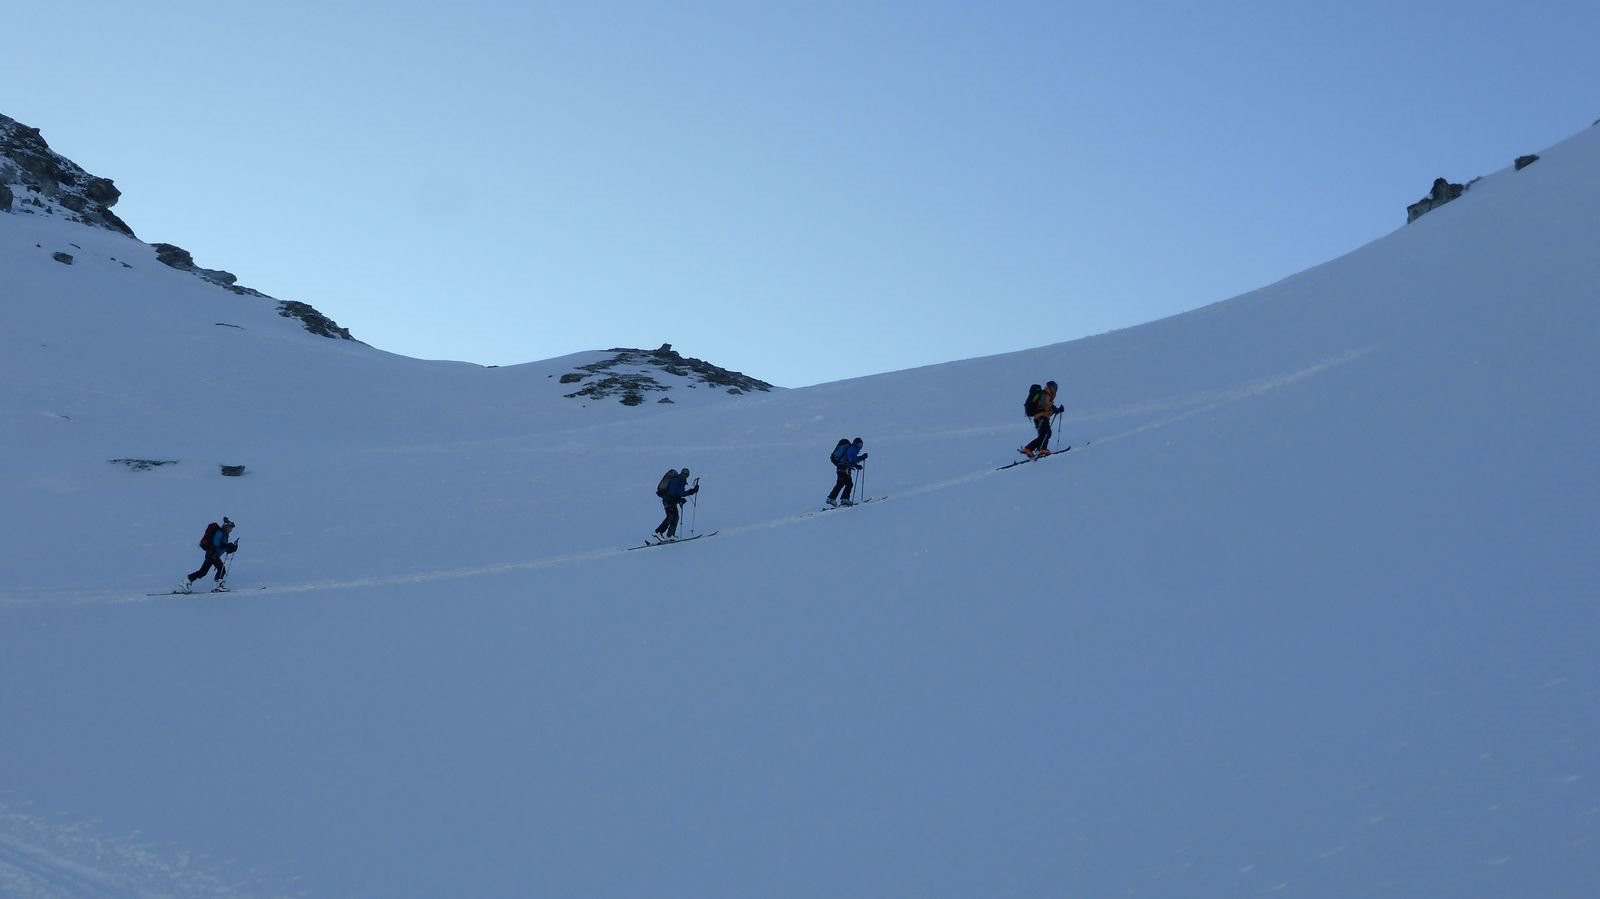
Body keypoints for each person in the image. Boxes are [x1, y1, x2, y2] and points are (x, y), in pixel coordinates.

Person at [182, 516, 237, 592]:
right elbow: (217, 545)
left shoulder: (225, 534)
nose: (231, 530)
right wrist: (228, 545)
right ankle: (219, 586)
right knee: (221, 569)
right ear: (226, 527)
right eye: (230, 528)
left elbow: (223, 547)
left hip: (212, 555)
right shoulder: (220, 533)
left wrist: (232, 548)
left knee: (203, 572)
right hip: (212, 554)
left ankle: (187, 581)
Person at [654, 467, 699, 542]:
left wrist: (680, 499)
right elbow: (680, 493)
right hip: (669, 500)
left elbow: (676, 493)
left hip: (669, 500)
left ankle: (670, 535)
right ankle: (659, 532)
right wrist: (692, 491)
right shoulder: (681, 479)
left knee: (675, 517)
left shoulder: (676, 478)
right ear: (687, 475)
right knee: (671, 516)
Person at [1021, 381, 1064, 458]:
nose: (1055, 391)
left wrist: (1055, 410)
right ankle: (1041, 450)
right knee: (1046, 433)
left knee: (1045, 434)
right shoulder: (1044, 394)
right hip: (1041, 417)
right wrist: (1055, 410)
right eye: (1054, 388)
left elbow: (1046, 407)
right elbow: (1045, 406)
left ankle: (1029, 449)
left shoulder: (1044, 395)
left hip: (1039, 417)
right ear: (1051, 387)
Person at [826, 437, 868, 506]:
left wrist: (857, 464)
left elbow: (850, 459)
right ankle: (841, 499)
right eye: (860, 444)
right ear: (857, 443)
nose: (861, 446)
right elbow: (851, 458)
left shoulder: (851, 448)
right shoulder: (853, 448)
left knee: (843, 483)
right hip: (844, 468)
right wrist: (861, 458)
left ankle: (837, 499)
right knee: (847, 483)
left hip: (842, 467)